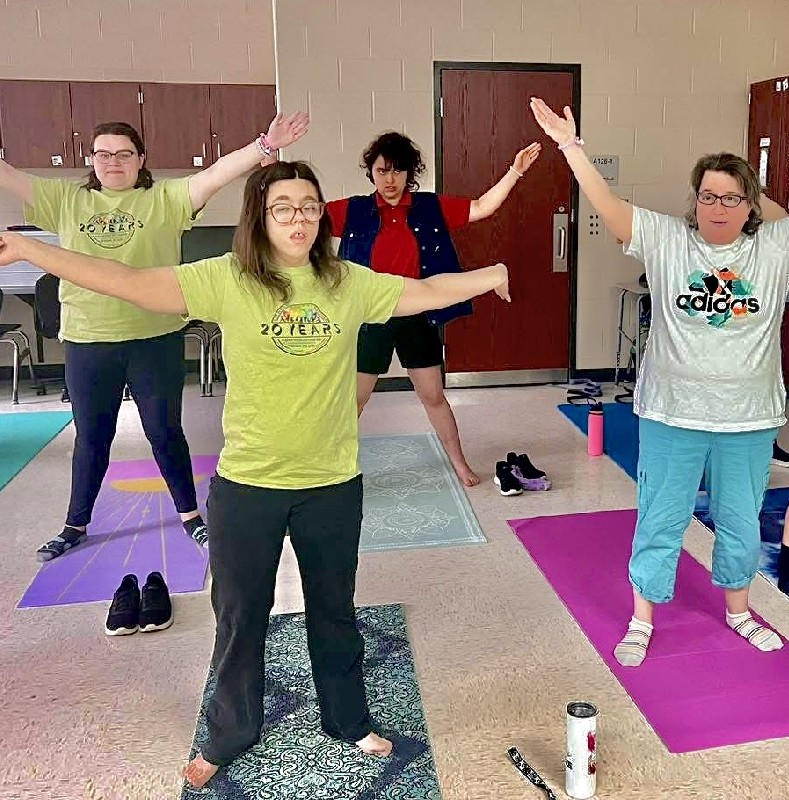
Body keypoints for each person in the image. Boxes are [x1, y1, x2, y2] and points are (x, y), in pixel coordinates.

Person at [0, 160, 511, 788]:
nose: (298, 218)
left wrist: (494, 273)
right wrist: (29, 248)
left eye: (308, 206)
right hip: (249, 486)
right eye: (283, 207)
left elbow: (425, 292)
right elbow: (132, 283)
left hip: (330, 484)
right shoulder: (230, 278)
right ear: (260, 218)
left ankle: (349, 720)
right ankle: (229, 733)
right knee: (240, 617)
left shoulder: (349, 282)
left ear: (322, 215)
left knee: (334, 612)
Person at [530, 97, 789, 667]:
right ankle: (641, 618)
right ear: (694, 200)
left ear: (751, 204)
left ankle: (739, 611)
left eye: (732, 197)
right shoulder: (668, 239)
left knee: (738, 518)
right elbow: (605, 202)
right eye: (708, 196)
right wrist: (570, 148)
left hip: (747, 418)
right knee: (661, 515)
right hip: (673, 413)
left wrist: (752, 190)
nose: (718, 207)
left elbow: (784, 219)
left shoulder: (775, 245)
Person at [0, 110, 308, 558]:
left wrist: (265, 145)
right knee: (91, 437)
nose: (113, 162)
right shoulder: (65, 201)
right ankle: (74, 524)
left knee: (165, 431)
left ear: (141, 159)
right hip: (89, 339)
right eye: (103, 154)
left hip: (155, 338)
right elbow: (8, 175)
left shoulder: (166, 199)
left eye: (124, 154)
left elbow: (217, 173)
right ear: (92, 159)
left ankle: (189, 516)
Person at [326, 131, 541, 487]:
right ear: (371, 173)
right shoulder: (354, 210)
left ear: (410, 173)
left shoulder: (428, 206)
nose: (389, 180)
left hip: (419, 315)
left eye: (397, 172)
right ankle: (335, 468)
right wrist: (269, 161)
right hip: (369, 318)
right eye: (382, 171)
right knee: (354, 402)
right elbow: (302, 213)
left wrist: (515, 171)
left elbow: (483, 207)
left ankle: (458, 462)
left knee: (433, 396)